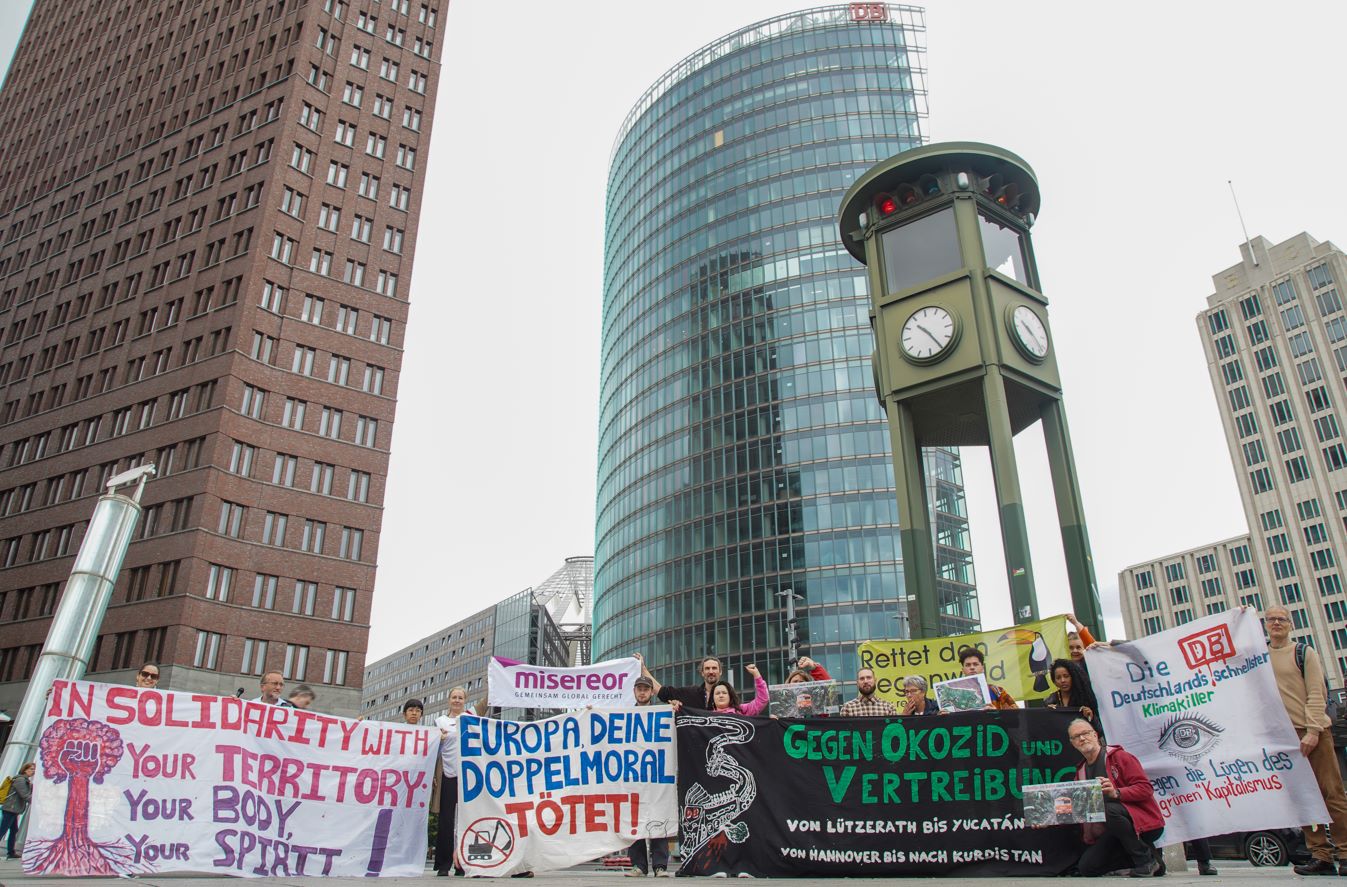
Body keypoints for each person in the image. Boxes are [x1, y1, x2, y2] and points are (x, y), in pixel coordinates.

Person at [1265, 603, 1347, 876]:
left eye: (1282, 619)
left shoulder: (1303, 652)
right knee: (1303, 798)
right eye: (1271, 619)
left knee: (1331, 793)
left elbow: (1316, 693)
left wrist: (1313, 730)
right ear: (1265, 625)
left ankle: (1345, 852)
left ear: (1290, 624)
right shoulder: (1259, 656)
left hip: (1313, 732)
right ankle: (1320, 855)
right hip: (1284, 738)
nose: (1276, 623)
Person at [1068, 718, 1164, 877]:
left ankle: (1145, 861)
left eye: (1085, 733)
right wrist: (1048, 817)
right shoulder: (1081, 771)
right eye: (1076, 737)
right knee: (1087, 868)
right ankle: (1154, 862)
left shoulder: (1120, 757)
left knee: (1108, 809)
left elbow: (1146, 788)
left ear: (1095, 735)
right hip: (1111, 829)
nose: (1082, 738)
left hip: (1139, 822)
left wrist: (1117, 793)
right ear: (1072, 743)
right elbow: (1079, 808)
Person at [626, 676, 670, 878]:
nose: (642, 692)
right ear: (634, 692)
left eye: (646, 689)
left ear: (652, 692)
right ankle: (638, 865)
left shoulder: (663, 713)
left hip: (656, 777)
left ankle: (660, 865)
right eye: (639, 689)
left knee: (658, 819)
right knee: (634, 820)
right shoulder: (625, 715)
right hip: (633, 777)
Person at [431, 690, 468, 877]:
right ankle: (444, 864)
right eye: (454, 697)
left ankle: (462, 863)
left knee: (465, 820)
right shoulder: (440, 722)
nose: (457, 700)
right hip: (448, 774)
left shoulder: (471, 719)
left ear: (465, 701)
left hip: (468, 776)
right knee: (446, 820)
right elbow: (431, 748)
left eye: (460, 698)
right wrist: (439, 739)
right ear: (449, 700)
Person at [639, 654, 722, 711]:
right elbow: (663, 692)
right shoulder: (691, 693)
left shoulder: (728, 694)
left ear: (720, 672)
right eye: (707, 668)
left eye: (714, 668)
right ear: (702, 673)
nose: (711, 671)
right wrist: (643, 668)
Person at [1044, 658, 1100, 736]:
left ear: (1073, 677)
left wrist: (1091, 717)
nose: (1063, 680)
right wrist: (1047, 714)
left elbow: (1100, 731)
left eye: (1066, 676)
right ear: (1054, 681)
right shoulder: (1049, 701)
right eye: (1058, 678)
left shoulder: (1086, 697)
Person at [0, 762, 34, 859]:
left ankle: (11, 852)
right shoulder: (20, 780)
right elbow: (25, 795)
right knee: (2, 830)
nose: (33, 771)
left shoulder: (25, 780)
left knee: (13, 830)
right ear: (25, 770)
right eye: (31, 769)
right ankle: (11, 852)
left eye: (34, 769)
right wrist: (36, 803)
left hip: (13, 809)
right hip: (10, 809)